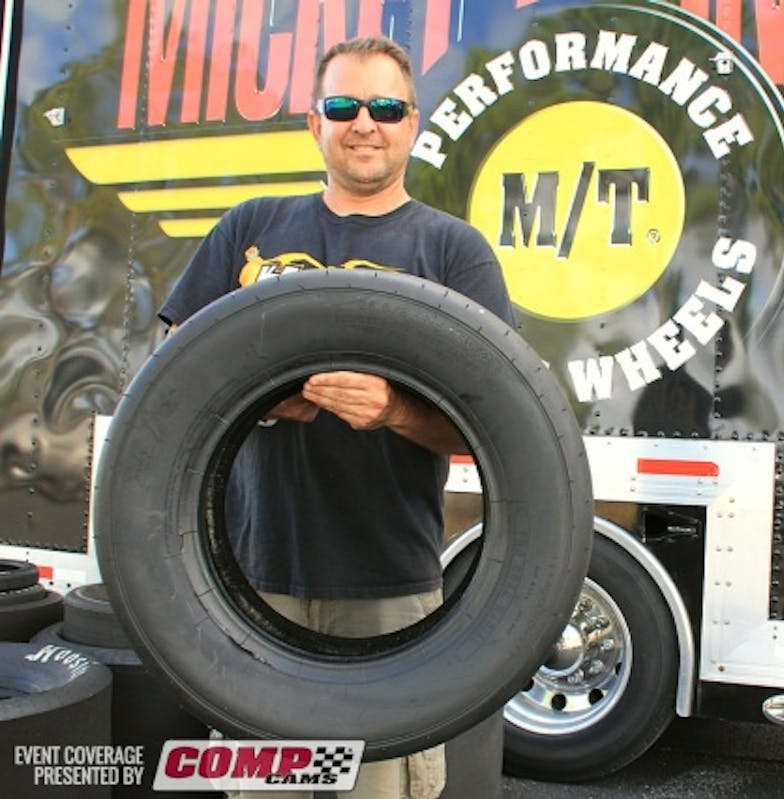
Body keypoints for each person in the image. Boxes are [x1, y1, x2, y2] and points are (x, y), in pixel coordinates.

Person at [158, 35, 516, 799]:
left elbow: (497, 427)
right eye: (343, 105)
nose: (365, 123)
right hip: (249, 582)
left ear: (412, 124)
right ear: (312, 125)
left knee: (378, 790)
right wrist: (259, 404)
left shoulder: (452, 252)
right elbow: (171, 387)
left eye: (385, 107)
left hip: (388, 588)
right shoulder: (250, 227)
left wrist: (392, 409)